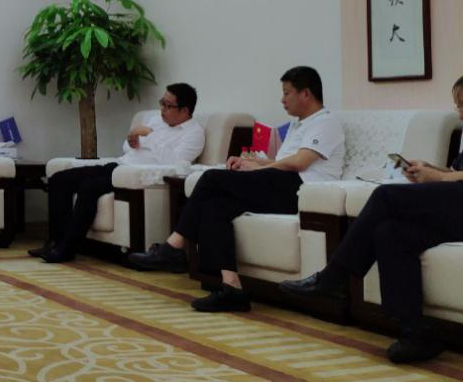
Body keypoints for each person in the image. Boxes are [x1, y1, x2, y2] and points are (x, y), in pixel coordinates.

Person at [280, 67, 463, 364]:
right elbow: (455, 174)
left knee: (386, 196)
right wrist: (429, 171)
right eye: (458, 108)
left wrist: (441, 178)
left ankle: (334, 278)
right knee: (390, 232)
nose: (462, 115)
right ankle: (414, 333)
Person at [126, 66, 345, 313]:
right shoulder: (298, 124)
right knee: (215, 206)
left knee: (211, 178)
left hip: (300, 190)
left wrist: (260, 168)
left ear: (305, 93)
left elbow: (299, 163)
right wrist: (253, 162)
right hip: (281, 183)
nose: (282, 100)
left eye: (287, 93)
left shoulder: (325, 122)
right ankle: (232, 288)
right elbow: (283, 161)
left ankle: (174, 246)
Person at [31, 83, 205, 263]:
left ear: (185, 110)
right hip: (119, 165)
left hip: (135, 178)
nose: (162, 109)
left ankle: (66, 249)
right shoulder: (156, 120)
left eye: (168, 106)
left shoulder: (194, 133)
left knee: (89, 188)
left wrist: (150, 135)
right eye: (162, 103)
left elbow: (175, 162)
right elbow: (128, 148)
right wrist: (132, 141)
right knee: (60, 179)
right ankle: (55, 242)